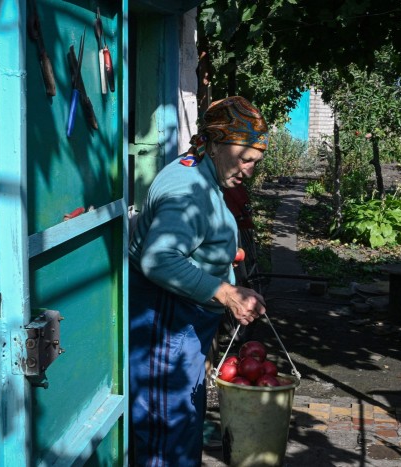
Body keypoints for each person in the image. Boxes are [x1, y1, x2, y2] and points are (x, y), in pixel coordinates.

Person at [128, 96, 269, 466]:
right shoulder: (187, 190)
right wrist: (225, 292)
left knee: (182, 427)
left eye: (256, 162)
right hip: (165, 329)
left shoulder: (199, 168)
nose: (249, 171)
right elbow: (159, 259)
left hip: (182, 330)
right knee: (167, 434)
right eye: (245, 158)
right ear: (217, 143)